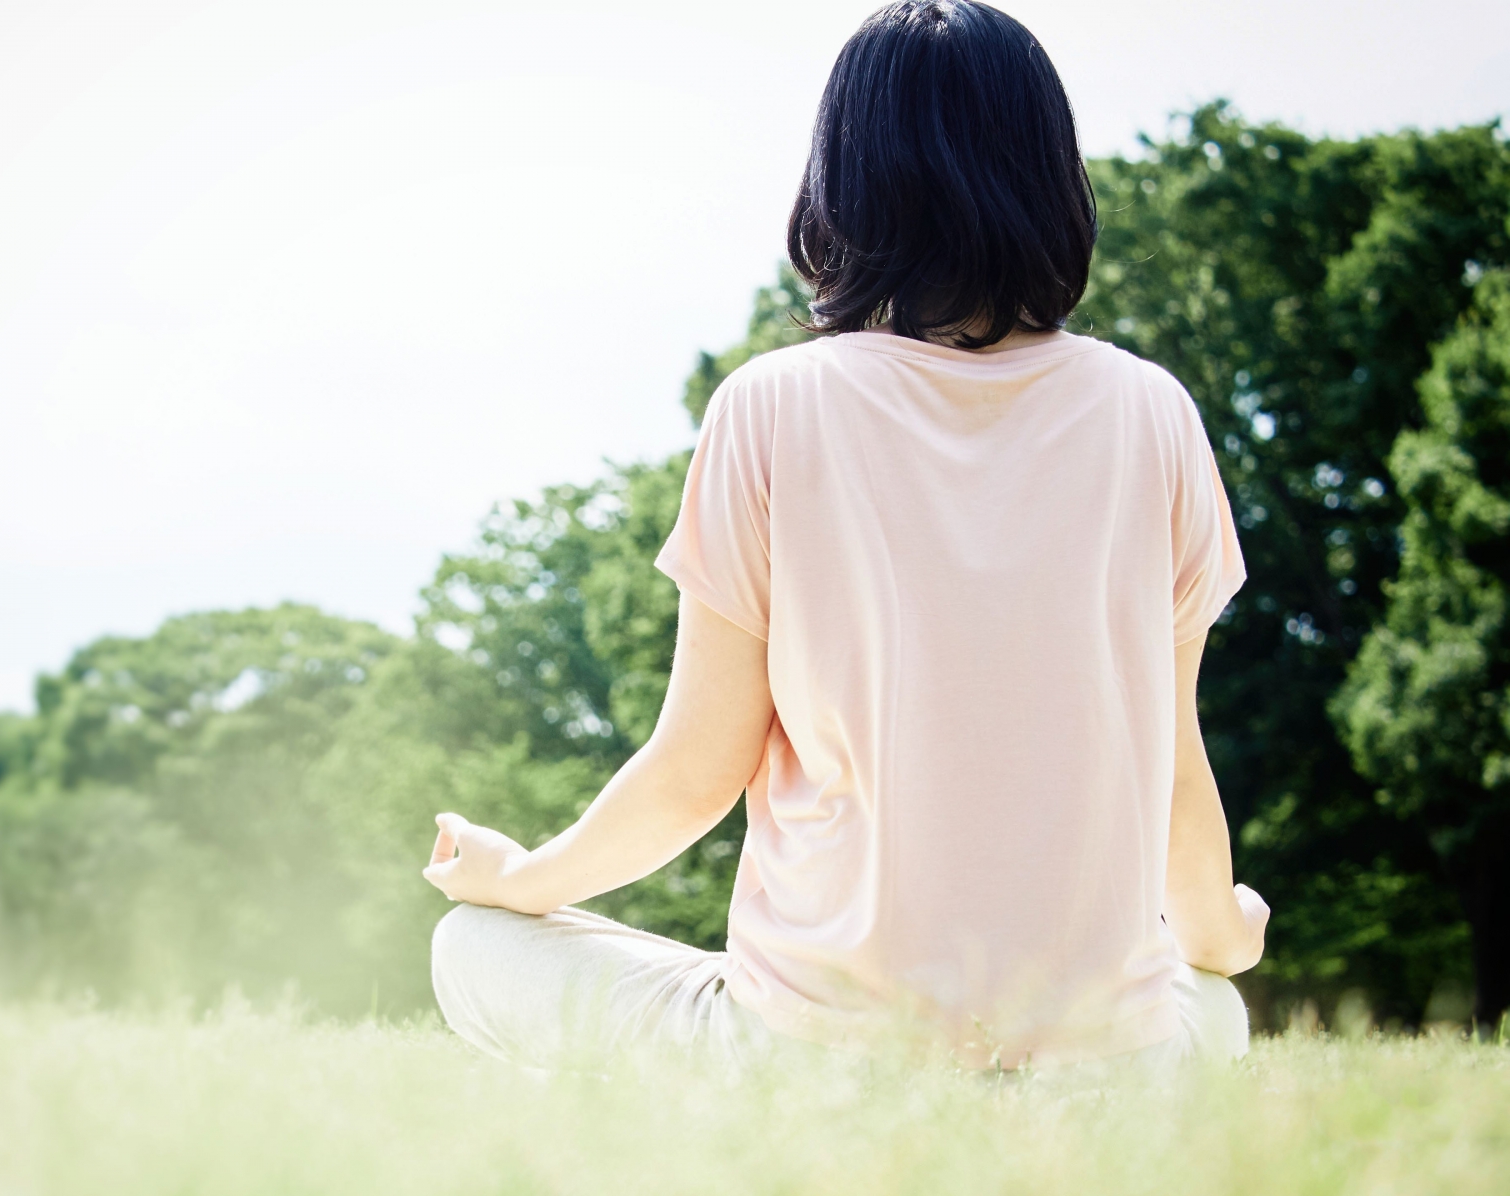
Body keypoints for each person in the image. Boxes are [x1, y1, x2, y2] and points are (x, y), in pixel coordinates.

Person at [421, 0, 1270, 1073]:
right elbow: (1170, 757)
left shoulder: (771, 406)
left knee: (472, 945)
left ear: (843, 185)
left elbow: (696, 770)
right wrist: (1222, 934)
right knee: (1213, 1008)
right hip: (1099, 1068)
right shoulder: (1155, 413)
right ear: (1054, 178)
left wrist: (522, 876)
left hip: (823, 1062)